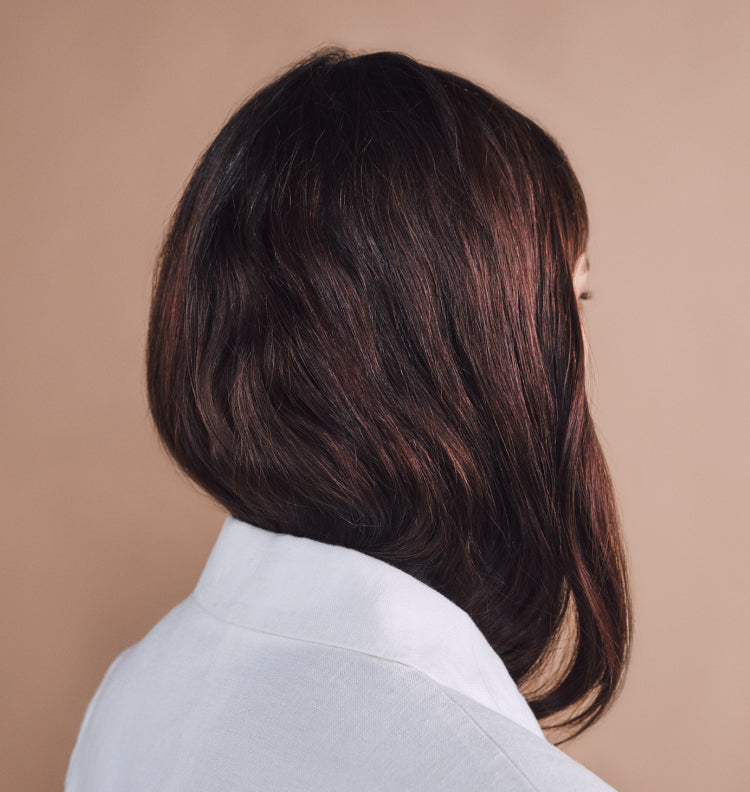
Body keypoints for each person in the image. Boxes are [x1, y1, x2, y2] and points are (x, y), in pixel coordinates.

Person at [65, 46, 632, 791]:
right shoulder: (503, 780)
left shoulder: (133, 694)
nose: (581, 352)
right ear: (458, 344)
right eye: (570, 298)